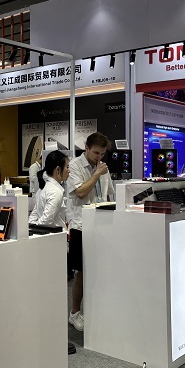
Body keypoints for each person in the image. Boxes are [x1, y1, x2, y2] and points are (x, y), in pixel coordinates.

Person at [66, 132, 115, 332]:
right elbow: (80, 192)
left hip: (102, 224)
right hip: (81, 226)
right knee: (82, 271)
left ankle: (97, 310)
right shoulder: (75, 166)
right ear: (86, 148)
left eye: (102, 154)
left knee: (100, 269)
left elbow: (109, 194)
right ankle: (74, 313)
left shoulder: (102, 167)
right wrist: (96, 174)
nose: (99, 157)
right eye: (96, 153)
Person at [29, 150, 69, 228]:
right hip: (55, 234)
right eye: (67, 167)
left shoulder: (42, 189)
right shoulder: (55, 192)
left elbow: (33, 217)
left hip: (44, 233)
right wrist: (36, 227)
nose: (69, 170)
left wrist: (33, 227)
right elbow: (46, 220)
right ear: (58, 170)